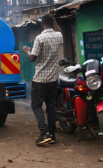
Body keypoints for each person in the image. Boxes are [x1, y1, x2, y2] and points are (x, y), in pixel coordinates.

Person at [22, 14, 63, 146]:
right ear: (53, 22)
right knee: (51, 107)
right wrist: (55, 23)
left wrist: (26, 51)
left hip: (40, 79)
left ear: (42, 24)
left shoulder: (39, 38)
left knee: (36, 105)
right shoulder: (58, 36)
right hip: (53, 79)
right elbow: (59, 32)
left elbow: (33, 58)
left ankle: (44, 133)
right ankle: (52, 135)